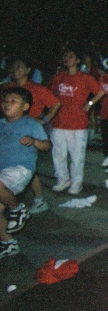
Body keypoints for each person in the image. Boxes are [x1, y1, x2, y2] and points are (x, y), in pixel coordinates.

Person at [3, 56, 61, 214]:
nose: (15, 70)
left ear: (28, 70)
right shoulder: (8, 87)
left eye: (19, 66)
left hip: (30, 130)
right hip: (12, 129)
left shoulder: (36, 88)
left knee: (27, 166)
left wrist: (43, 120)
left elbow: (56, 103)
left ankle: (38, 199)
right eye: (13, 67)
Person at [0, 87, 51, 258]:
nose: (7, 104)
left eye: (13, 101)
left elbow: (46, 145)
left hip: (20, 169)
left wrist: (34, 141)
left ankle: (17, 209)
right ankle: (8, 243)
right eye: (5, 100)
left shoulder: (31, 123)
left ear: (25, 106)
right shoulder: (1, 124)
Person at [50, 48, 105, 195]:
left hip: (78, 123)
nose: (67, 59)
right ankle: (62, 180)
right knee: (58, 153)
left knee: (76, 156)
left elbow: (100, 92)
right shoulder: (58, 77)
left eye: (71, 56)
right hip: (59, 122)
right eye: (65, 56)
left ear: (78, 60)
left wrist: (90, 104)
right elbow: (52, 94)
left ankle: (76, 183)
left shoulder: (85, 78)